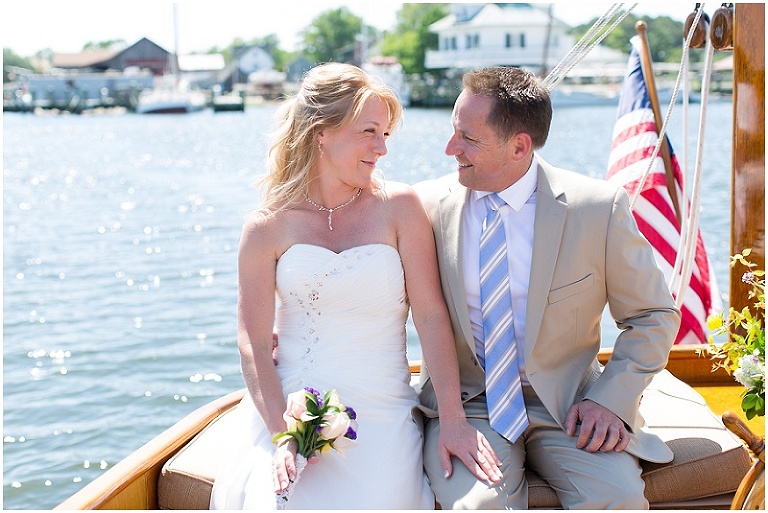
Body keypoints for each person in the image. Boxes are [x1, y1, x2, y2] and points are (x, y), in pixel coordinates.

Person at [210, 62, 500, 510]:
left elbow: (430, 315)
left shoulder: (400, 207)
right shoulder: (266, 226)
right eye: (370, 131)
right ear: (320, 131)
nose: (382, 148)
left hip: (383, 410)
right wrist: (283, 435)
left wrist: (454, 418)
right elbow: (251, 338)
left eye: (386, 134)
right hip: (292, 406)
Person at [414, 66, 682, 509]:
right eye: (452, 131)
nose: (450, 148)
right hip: (469, 405)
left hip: (571, 404)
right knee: (478, 507)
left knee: (619, 501)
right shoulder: (423, 206)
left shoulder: (598, 208)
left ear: (519, 146)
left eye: (467, 138)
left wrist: (610, 401)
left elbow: (652, 315)